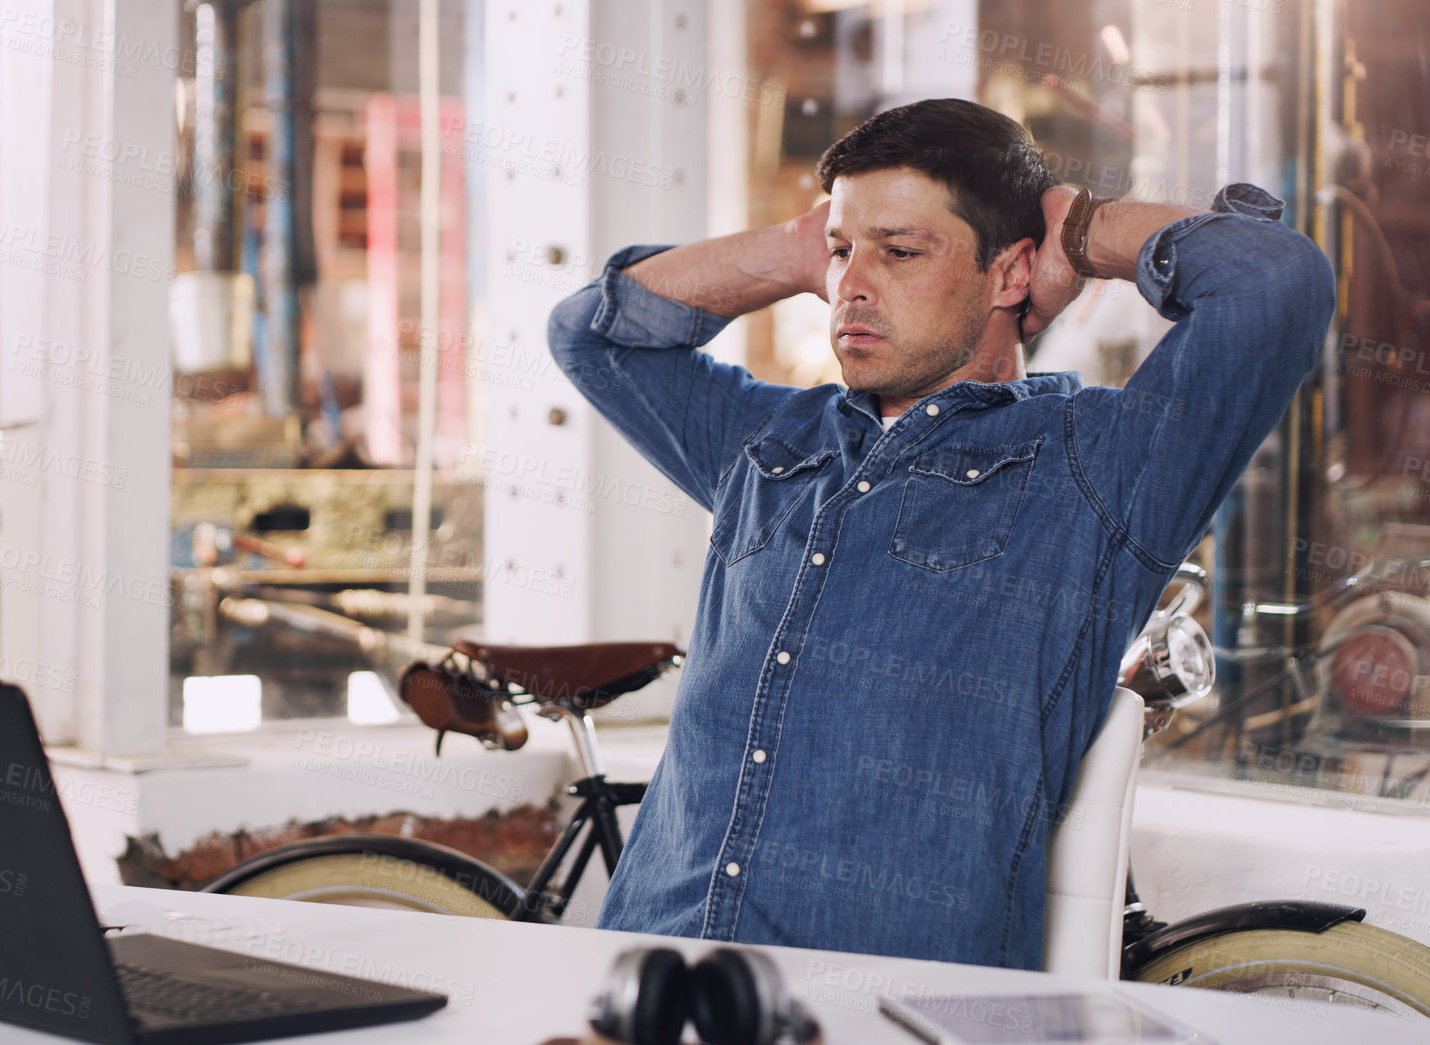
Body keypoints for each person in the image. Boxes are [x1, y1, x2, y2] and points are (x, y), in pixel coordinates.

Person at [545, 98, 1334, 969]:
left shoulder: (1097, 467)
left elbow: (1274, 281)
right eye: (847, 253)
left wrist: (1082, 235)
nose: (852, 283)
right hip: (648, 970)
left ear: (1009, 274)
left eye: (902, 250)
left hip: (877, 1006)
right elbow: (590, 336)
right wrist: (799, 246)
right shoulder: (772, 445)